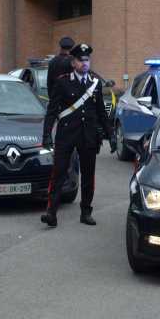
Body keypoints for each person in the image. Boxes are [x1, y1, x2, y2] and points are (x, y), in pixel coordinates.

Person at [41, 43, 117, 227]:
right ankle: (51, 212)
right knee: (58, 173)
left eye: (87, 60)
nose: (85, 63)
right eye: (81, 60)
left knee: (88, 175)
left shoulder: (95, 84)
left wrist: (111, 135)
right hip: (66, 134)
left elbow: (101, 112)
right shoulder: (62, 81)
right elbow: (52, 111)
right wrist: (46, 135)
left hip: (88, 135)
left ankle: (86, 211)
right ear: (73, 62)